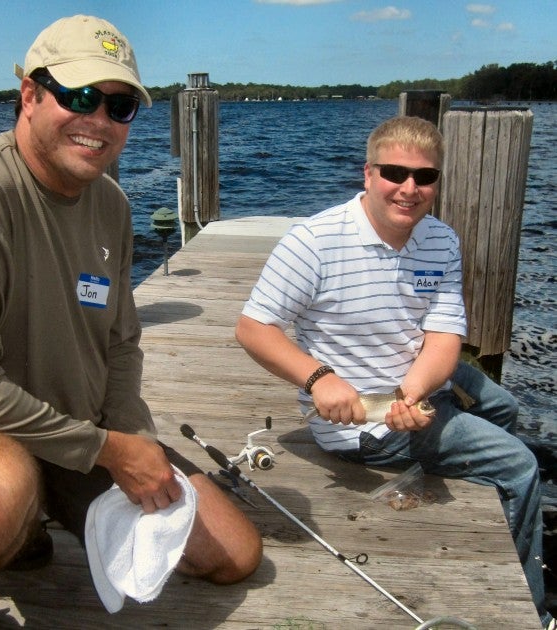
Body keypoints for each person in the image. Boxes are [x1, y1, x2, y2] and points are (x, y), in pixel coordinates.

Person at [0, 15, 261, 629]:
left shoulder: (112, 204)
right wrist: (109, 450)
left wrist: (130, 436)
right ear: (30, 95)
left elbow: (121, 343)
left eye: (119, 106)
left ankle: (30, 517)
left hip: (76, 430)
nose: (98, 120)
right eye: (80, 96)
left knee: (234, 554)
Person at [235, 115, 551, 627]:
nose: (409, 188)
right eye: (394, 173)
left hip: (411, 383)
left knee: (505, 405)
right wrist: (319, 379)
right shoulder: (313, 241)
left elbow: (445, 338)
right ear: (368, 173)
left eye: (424, 177)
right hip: (359, 418)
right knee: (520, 465)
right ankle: (531, 610)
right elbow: (254, 328)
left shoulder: (441, 240)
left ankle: (483, 493)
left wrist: (411, 393)